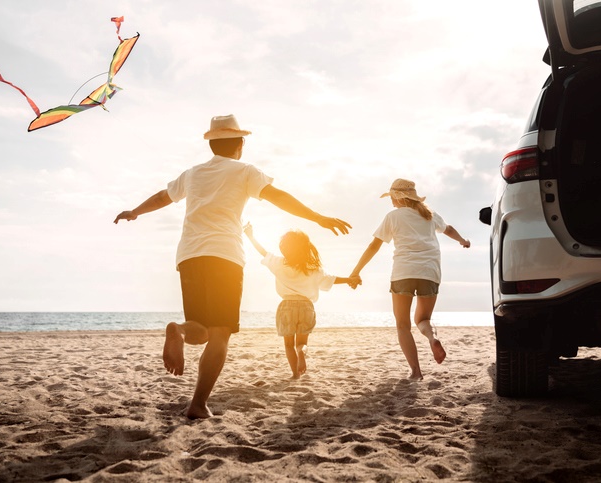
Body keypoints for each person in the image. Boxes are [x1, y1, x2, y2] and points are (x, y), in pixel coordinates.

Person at [113, 114, 350, 419]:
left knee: (200, 330)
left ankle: (180, 332)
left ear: (212, 144)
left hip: (189, 255)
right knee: (220, 333)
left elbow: (163, 197)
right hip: (225, 256)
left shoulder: (193, 173)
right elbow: (278, 198)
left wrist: (135, 212)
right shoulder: (245, 171)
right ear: (240, 144)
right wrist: (318, 217)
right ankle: (198, 404)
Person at [349, 178, 470, 380]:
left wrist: (356, 271)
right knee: (423, 320)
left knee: (403, 325)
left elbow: (374, 246)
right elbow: (448, 229)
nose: (391, 202)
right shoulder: (430, 215)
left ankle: (416, 371)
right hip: (429, 273)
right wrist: (463, 241)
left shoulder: (393, 217)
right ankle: (433, 337)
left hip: (403, 273)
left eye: (392, 198)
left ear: (398, 197)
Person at [243, 222, 359, 379]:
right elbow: (330, 279)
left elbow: (263, 252)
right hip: (306, 306)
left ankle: (295, 374)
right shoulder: (313, 268)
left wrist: (250, 235)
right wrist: (349, 279)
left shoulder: (279, 263)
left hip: (286, 306)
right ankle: (301, 352)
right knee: (301, 343)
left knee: (288, 344)